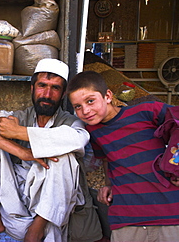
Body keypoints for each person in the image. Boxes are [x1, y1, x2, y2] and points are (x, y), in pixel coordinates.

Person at [0, 59, 102, 242]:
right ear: (32, 89)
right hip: (16, 196)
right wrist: (22, 152)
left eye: (55, 88)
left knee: (64, 156)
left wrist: (20, 133)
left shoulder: (69, 121)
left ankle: (36, 230)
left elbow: (78, 138)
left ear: (62, 95)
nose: (47, 94)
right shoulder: (19, 117)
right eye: (42, 86)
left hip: (51, 204)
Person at [66, 70, 179, 242]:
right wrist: (109, 184)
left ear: (108, 96)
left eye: (90, 101)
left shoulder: (147, 111)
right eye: (78, 107)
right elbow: (107, 159)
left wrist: (175, 165)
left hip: (168, 215)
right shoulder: (93, 132)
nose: (86, 110)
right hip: (125, 220)